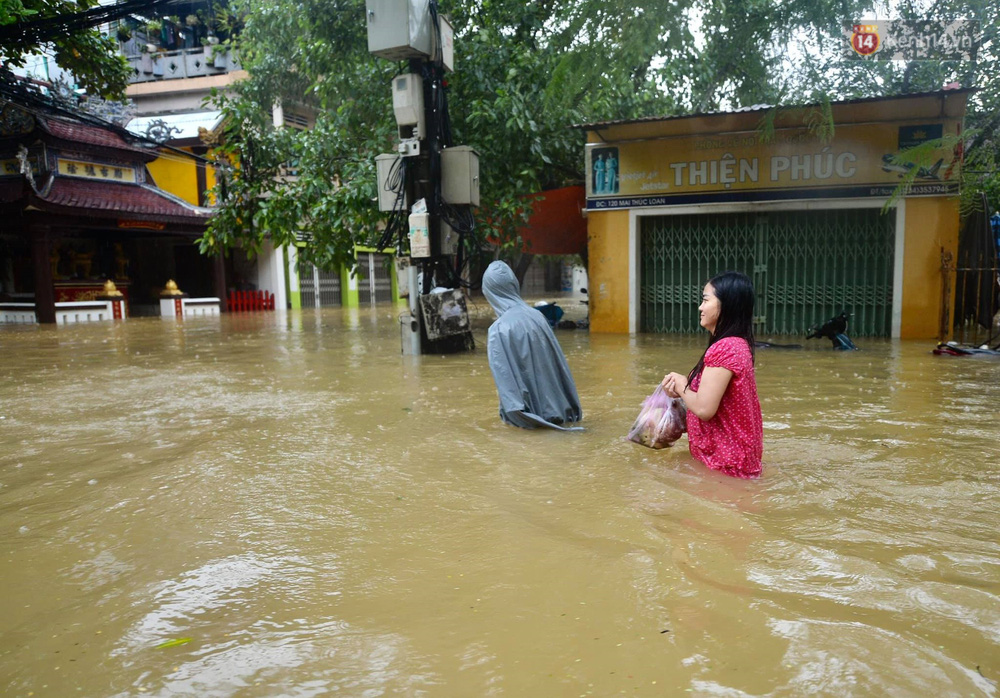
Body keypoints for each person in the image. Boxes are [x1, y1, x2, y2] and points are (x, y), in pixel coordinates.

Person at [661, 271, 762, 478]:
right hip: (734, 458)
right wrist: (681, 392)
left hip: (724, 464)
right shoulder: (737, 345)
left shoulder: (725, 348)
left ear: (727, 305)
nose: (700, 307)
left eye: (706, 300)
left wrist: (681, 384)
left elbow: (704, 408)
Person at [482, 260, 583, 431]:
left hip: (533, 425)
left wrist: (523, 422)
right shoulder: (537, 316)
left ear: (489, 292)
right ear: (514, 285)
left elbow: (509, 393)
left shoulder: (498, 330)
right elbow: (559, 368)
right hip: (562, 413)